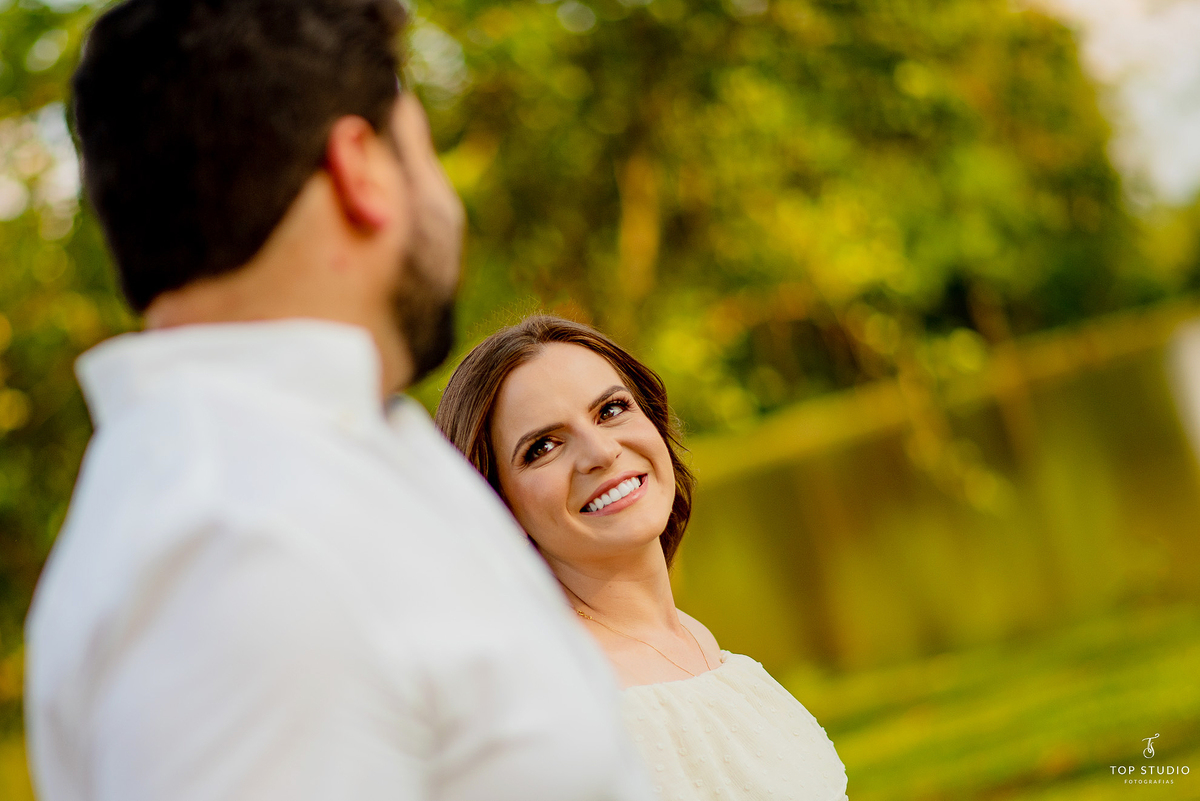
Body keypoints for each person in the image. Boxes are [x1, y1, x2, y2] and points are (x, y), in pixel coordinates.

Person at [24, 3, 655, 800]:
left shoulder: (314, 462)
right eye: (425, 154)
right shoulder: (240, 552)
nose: (446, 205)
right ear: (361, 170)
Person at [436, 315, 850, 801]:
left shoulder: (693, 639)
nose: (601, 451)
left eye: (611, 410)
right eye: (543, 446)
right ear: (495, 505)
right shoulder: (553, 704)